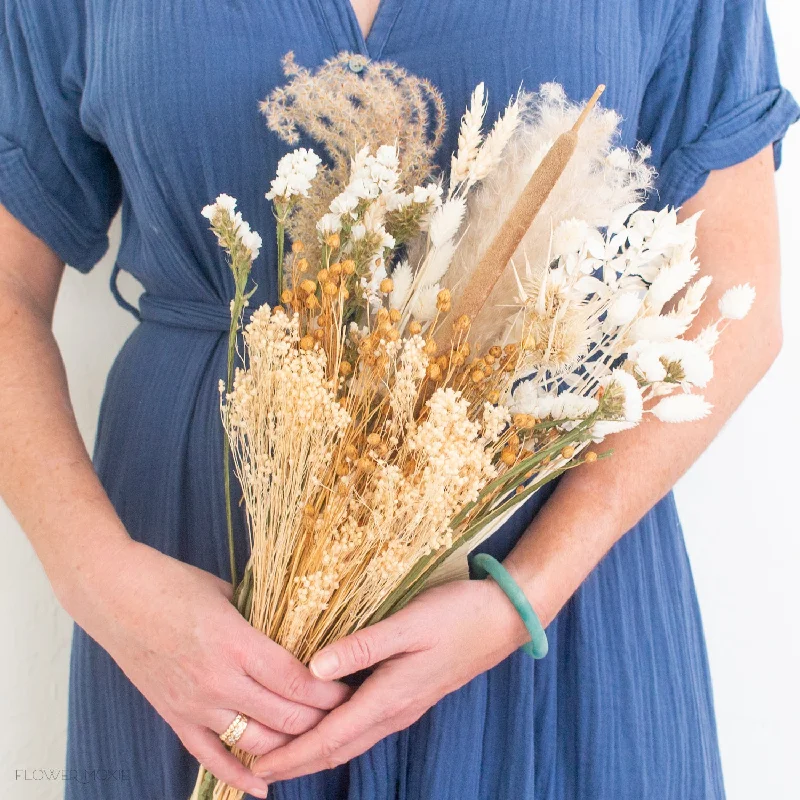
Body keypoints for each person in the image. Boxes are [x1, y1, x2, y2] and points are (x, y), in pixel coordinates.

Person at [1, 0, 796, 798]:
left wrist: (530, 592)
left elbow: (737, 288)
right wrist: (102, 585)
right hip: (188, 619)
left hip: (542, 591)